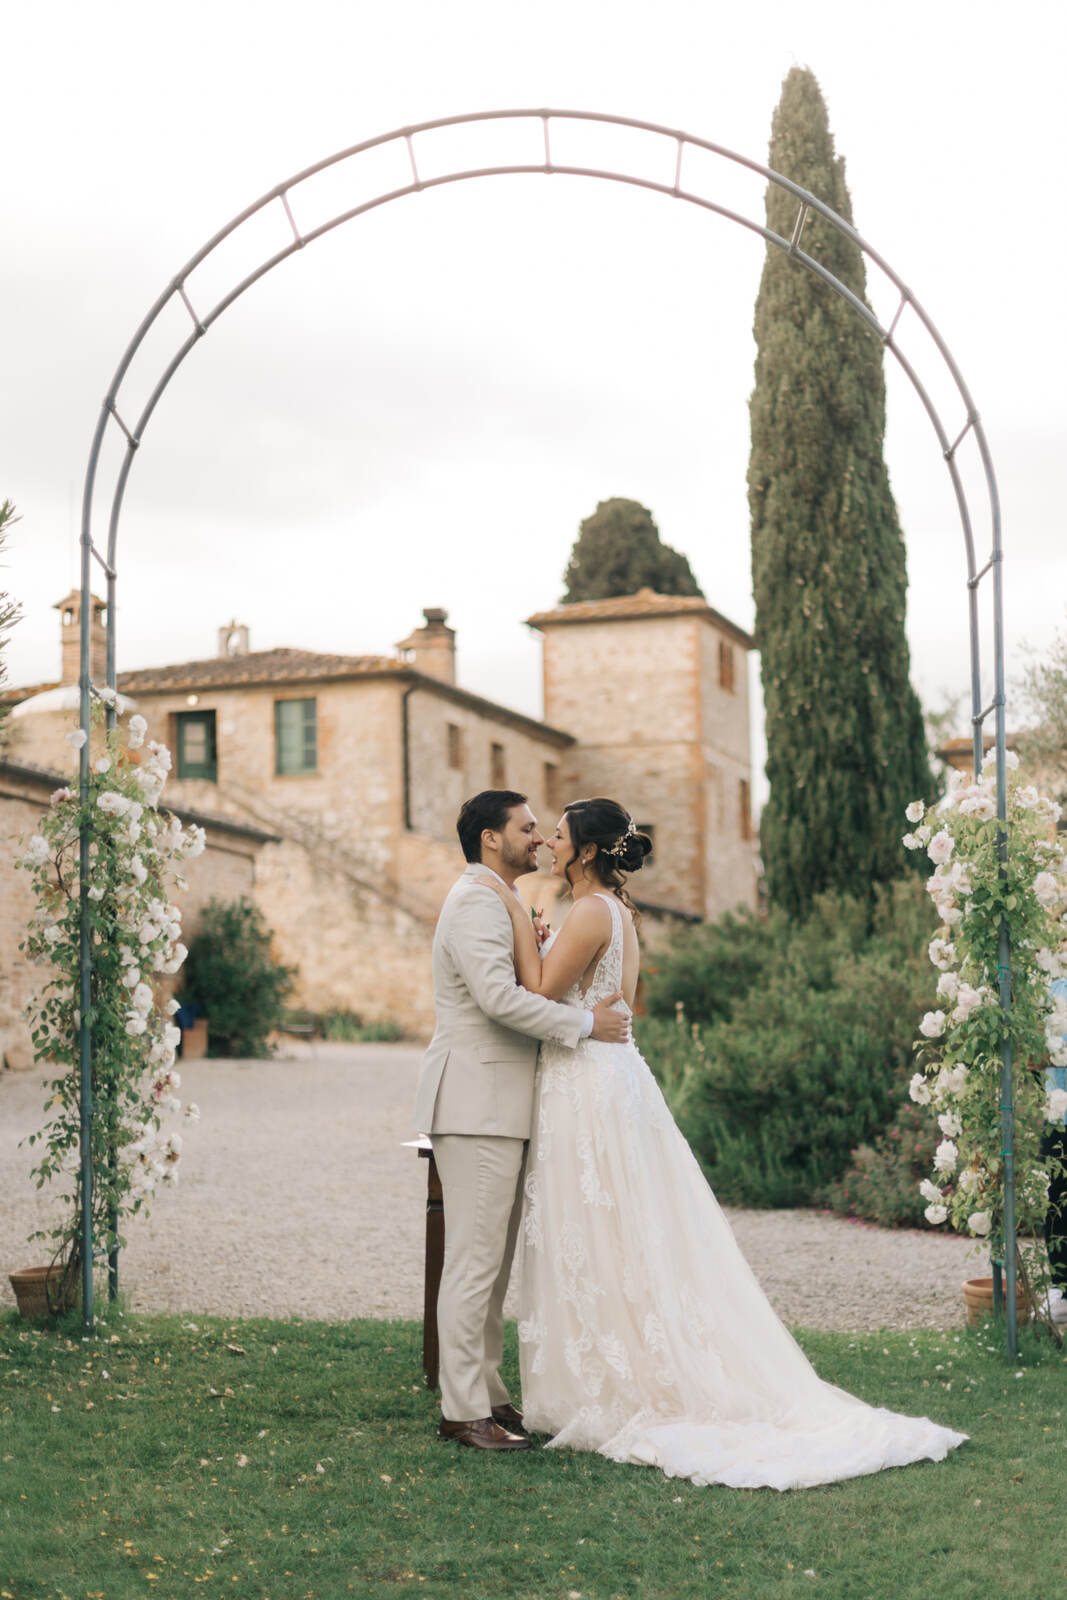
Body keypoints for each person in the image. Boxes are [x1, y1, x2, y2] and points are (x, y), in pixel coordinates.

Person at [478, 796, 968, 1490]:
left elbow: (536, 988)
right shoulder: (614, 910)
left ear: (585, 852)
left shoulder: (589, 912)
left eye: (557, 838)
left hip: (587, 1080)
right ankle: (612, 1374)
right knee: (613, 1232)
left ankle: (624, 1386)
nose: (548, 847)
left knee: (603, 1227)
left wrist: (520, 922)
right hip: (601, 1074)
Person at [413, 789, 631, 1453]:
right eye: (525, 829)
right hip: (475, 1102)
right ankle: (461, 1409)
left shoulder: (497, 899)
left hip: (500, 1105)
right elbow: (500, 999)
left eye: (541, 830)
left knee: (491, 1266)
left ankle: (488, 1394)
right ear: (489, 838)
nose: (537, 839)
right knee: (473, 1265)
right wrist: (584, 1024)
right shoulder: (476, 899)